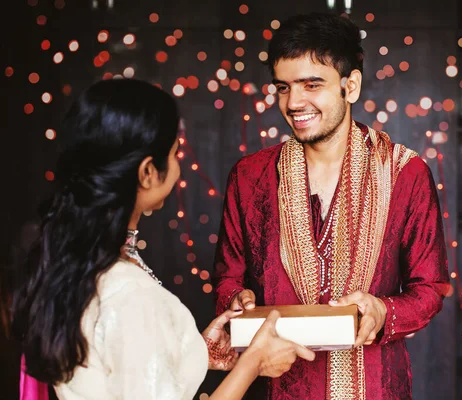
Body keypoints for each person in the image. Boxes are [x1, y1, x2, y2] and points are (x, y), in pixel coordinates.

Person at [11, 78, 315, 400]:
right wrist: (252, 363)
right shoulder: (129, 295)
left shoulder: (81, 264)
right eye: (174, 153)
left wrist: (193, 352)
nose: (179, 166)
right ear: (147, 172)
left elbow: (122, 369)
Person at [212, 11, 450, 400]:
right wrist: (237, 302)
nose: (294, 102)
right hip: (276, 386)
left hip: (374, 386)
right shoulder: (250, 176)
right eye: (283, 87)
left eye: (312, 84)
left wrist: (382, 311)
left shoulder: (405, 173)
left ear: (349, 86)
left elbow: (430, 289)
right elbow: (228, 276)